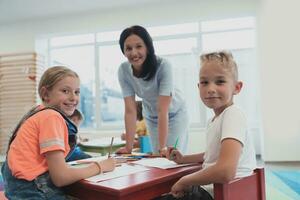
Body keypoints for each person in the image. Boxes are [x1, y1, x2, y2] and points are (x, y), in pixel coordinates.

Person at [1, 66, 116, 199]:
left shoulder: (38, 112)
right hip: (34, 190)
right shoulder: (51, 116)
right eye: (65, 91)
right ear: (45, 94)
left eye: (77, 92)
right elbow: (60, 177)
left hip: (18, 189)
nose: (73, 98)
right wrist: (100, 166)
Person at [167, 51, 256, 198]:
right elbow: (212, 155)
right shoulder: (214, 120)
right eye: (204, 82)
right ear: (198, 87)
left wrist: (185, 180)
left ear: (237, 87)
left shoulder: (232, 114)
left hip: (221, 193)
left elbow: (226, 170)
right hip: (213, 191)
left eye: (220, 81)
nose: (210, 89)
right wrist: (183, 159)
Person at [116, 25, 189, 155]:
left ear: (148, 47)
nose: (133, 53)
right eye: (128, 48)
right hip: (151, 115)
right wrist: (128, 148)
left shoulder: (163, 65)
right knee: (157, 155)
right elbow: (130, 111)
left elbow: (163, 110)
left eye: (139, 46)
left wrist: (163, 149)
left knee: (172, 156)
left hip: (174, 113)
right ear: (123, 51)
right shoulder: (123, 70)